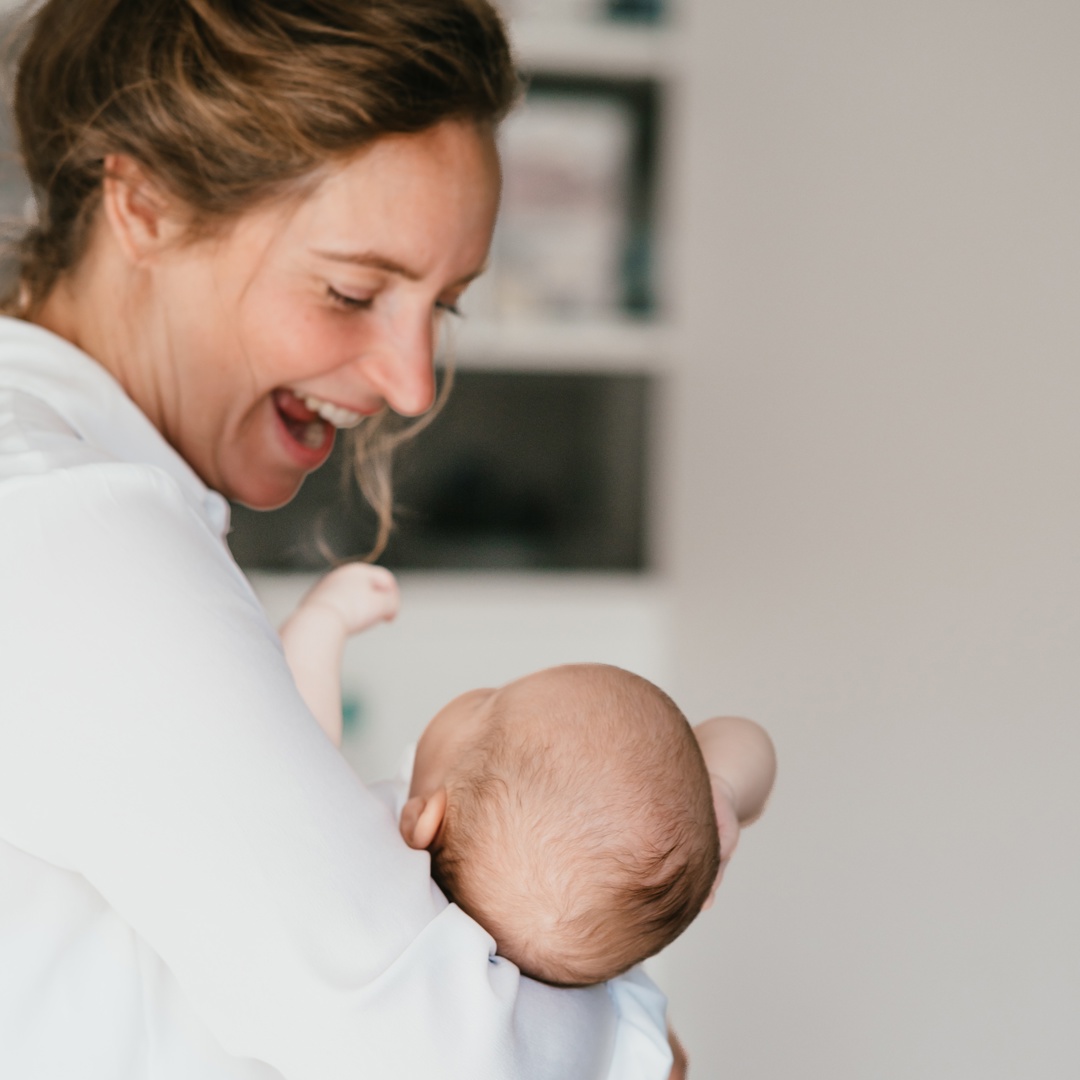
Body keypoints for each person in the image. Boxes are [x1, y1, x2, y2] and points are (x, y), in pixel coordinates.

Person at [0, 0, 752, 1077]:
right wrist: (637, 1040)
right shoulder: (69, 527)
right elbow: (437, 1049)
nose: (410, 383)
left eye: (443, 307)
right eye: (353, 291)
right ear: (146, 205)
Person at [279, 565, 777, 990]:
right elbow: (747, 740)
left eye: (487, 699)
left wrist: (324, 621)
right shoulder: (604, 945)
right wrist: (721, 789)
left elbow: (297, 746)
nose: (476, 688)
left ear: (422, 820)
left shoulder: (385, 884)